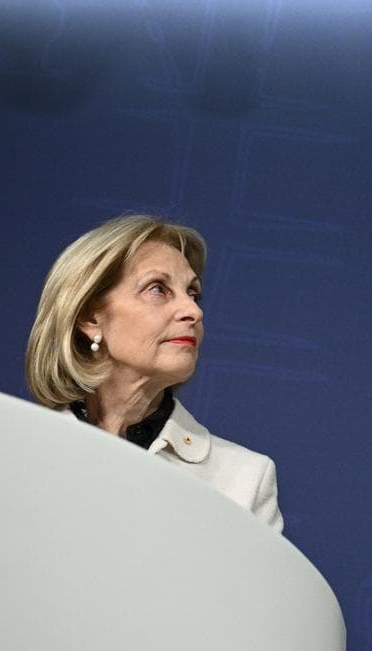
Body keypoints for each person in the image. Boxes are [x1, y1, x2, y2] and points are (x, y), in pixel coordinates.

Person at [25, 214, 283, 531]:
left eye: (193, 293)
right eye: (158, 289)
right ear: (90, 318)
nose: (193, 311)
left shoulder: (244, 480)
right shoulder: (18, 452)